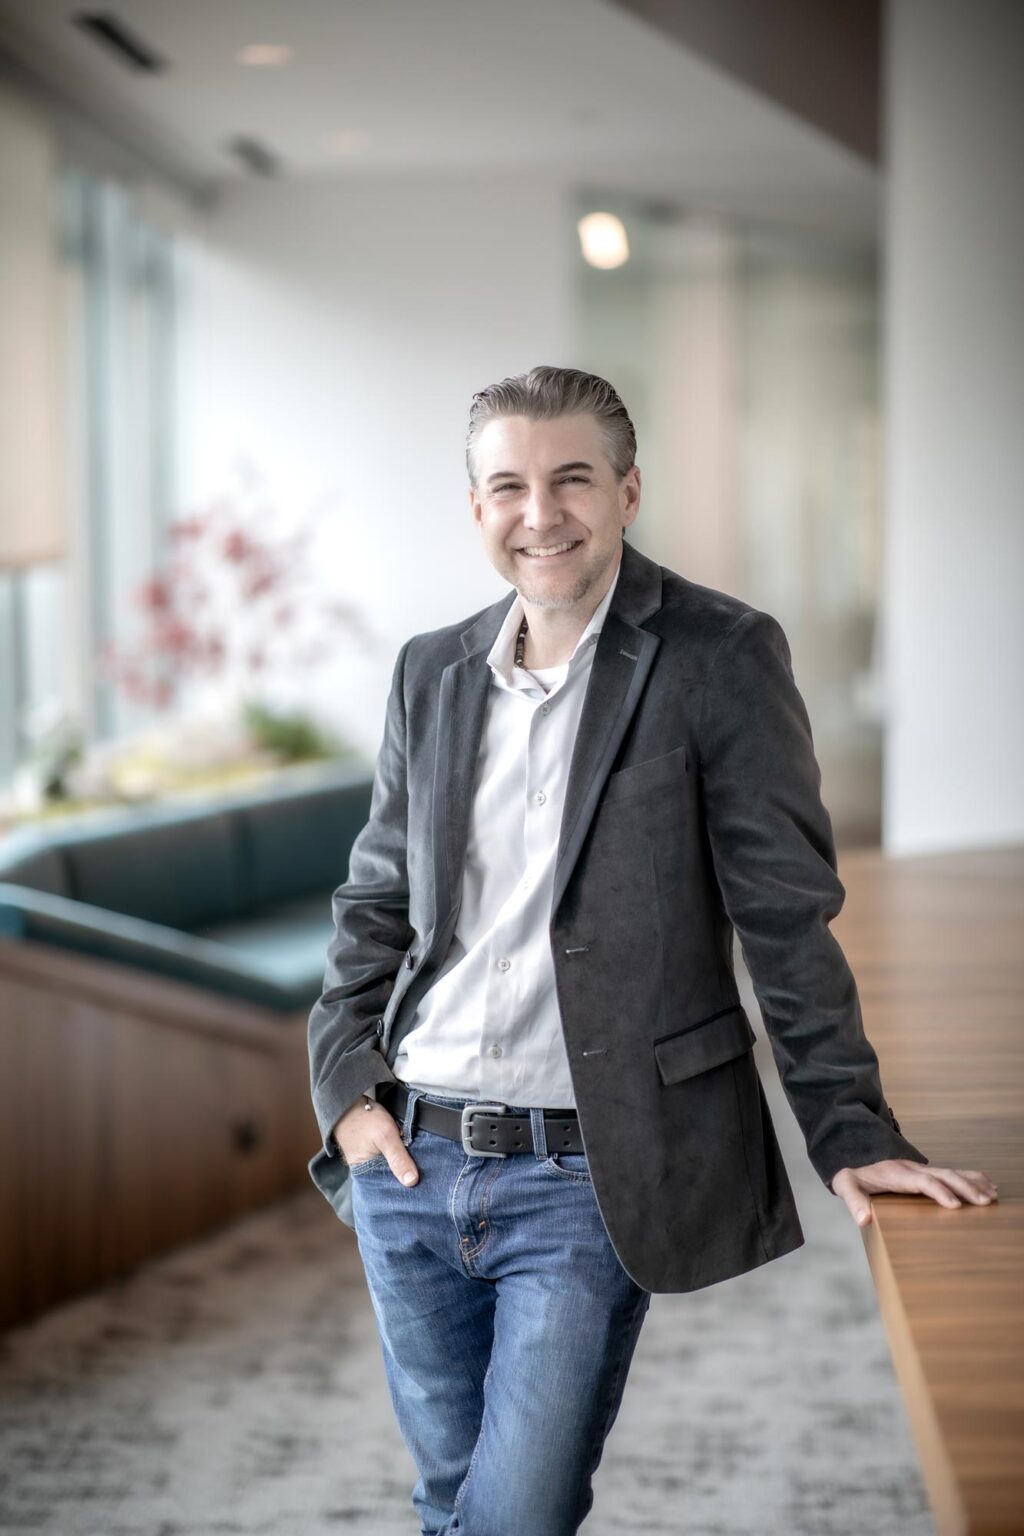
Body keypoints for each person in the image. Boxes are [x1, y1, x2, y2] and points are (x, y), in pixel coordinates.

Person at [307, 365, 997, 1536]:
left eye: (572, 478)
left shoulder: (720, 656)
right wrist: (345, 1096)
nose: (542, 514)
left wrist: (853, 1132)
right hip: (409, 1161)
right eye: (509, 487)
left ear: (629, 490)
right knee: (446, 1499)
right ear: (474, 507)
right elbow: (376, 901)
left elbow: (785, 919)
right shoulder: (430, 671)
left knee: (515, 1516)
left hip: (588, 1172)